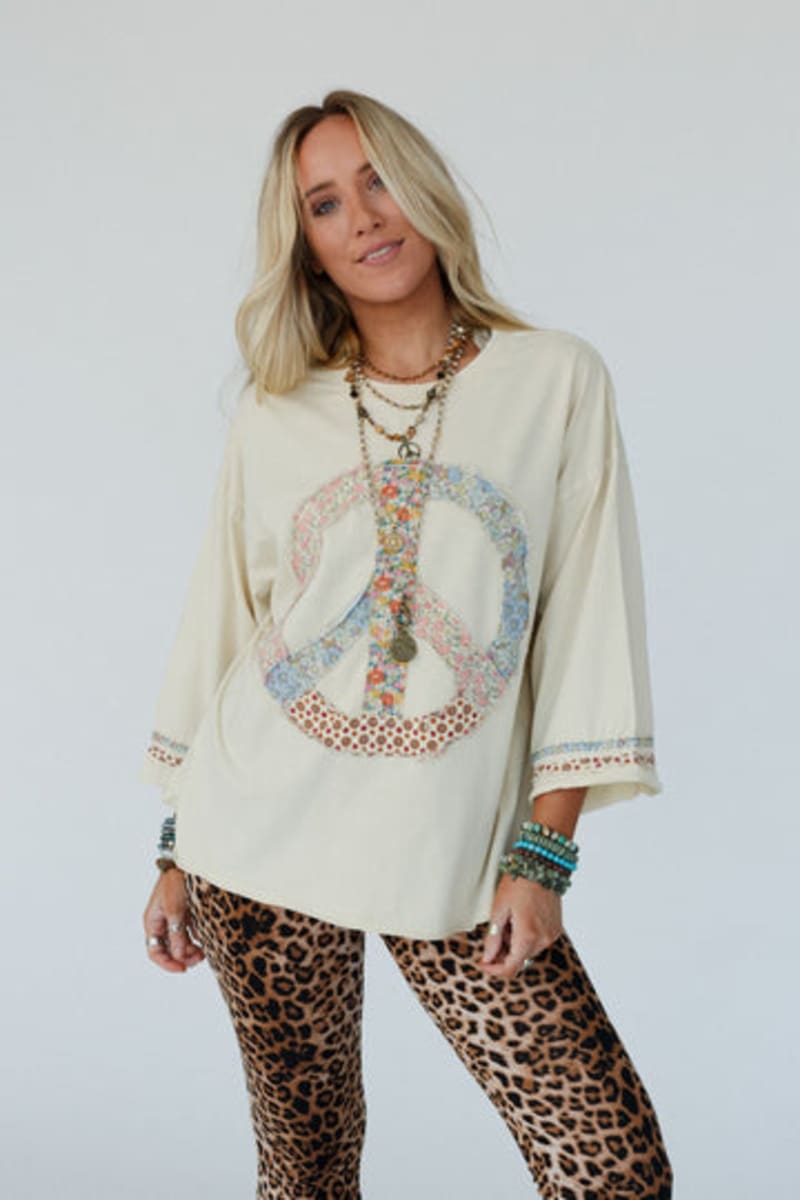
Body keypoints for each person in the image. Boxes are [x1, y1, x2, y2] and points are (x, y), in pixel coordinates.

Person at [140, 89, 673, 1199]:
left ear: (425, 190)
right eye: (325, 204)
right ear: (307, 247)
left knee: (613, 1175)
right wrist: (174, 851)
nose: (365, 218)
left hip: (454, 847)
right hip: (259, 839)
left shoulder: (553, 380)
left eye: (379, 180)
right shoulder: (276, 411)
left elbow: (588, 620)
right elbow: (224, 620)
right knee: (309, 1169)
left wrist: (542, 856)